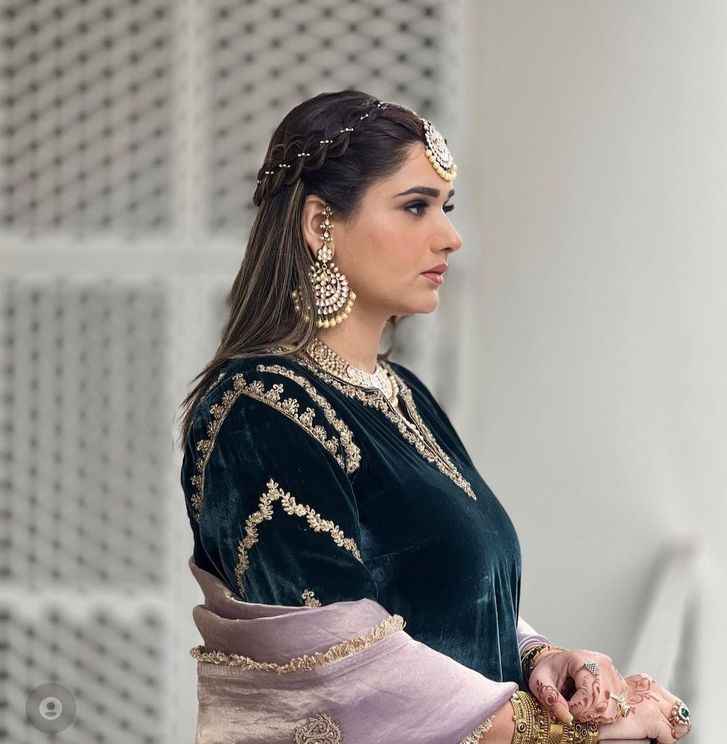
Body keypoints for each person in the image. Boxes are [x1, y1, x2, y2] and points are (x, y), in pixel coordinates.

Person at [177, 91, 692, 744]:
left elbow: (449, 594)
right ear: (319, 224)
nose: (449, 236)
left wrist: (543, 661)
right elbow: (342, 675)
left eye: (444, 208)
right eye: (416, 206)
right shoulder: (261, 412)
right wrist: (591, 732)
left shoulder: (401, 395)